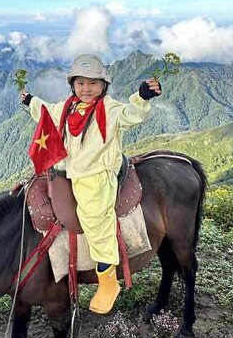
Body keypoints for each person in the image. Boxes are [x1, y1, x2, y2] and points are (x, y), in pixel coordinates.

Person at [21, 54, 161, 314]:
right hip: (69, 171)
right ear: (73, 85)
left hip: (96, 176)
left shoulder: (108, 109)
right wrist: (31, 101)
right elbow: (46, 113)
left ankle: (108, 280)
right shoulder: (67, 107)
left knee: (95, 217)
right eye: (81, 83)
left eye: (94, 83)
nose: (87, 89)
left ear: (104, 86)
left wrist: (141, 97)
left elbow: (129, 115)